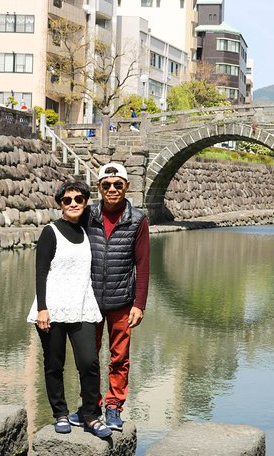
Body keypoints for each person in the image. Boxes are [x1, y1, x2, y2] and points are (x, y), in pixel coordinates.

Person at [26, 181, 112, 438]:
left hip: (82, 306)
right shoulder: (50, 231)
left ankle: (91, 417)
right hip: (52, 308)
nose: (73, 203)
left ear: (86, 202)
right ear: (60, 204)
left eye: (79, 199)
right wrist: (42, 308)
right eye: (67, 200)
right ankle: (60, 414)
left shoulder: (87, 231)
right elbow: (40, 272)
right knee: (54, 363)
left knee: (89, 362)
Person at [69, 163, 150, 432]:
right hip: (88, 300)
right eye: (106, 185)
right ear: (99, 188)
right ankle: (89, 406)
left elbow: (143, 263)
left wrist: (139, 304)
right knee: (87, 358)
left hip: (122, 302)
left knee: (119, 358)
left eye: (117, 184)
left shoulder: (137, 219)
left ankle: (114, 406)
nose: (112, 189)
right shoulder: (88, 214)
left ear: (126, 186)